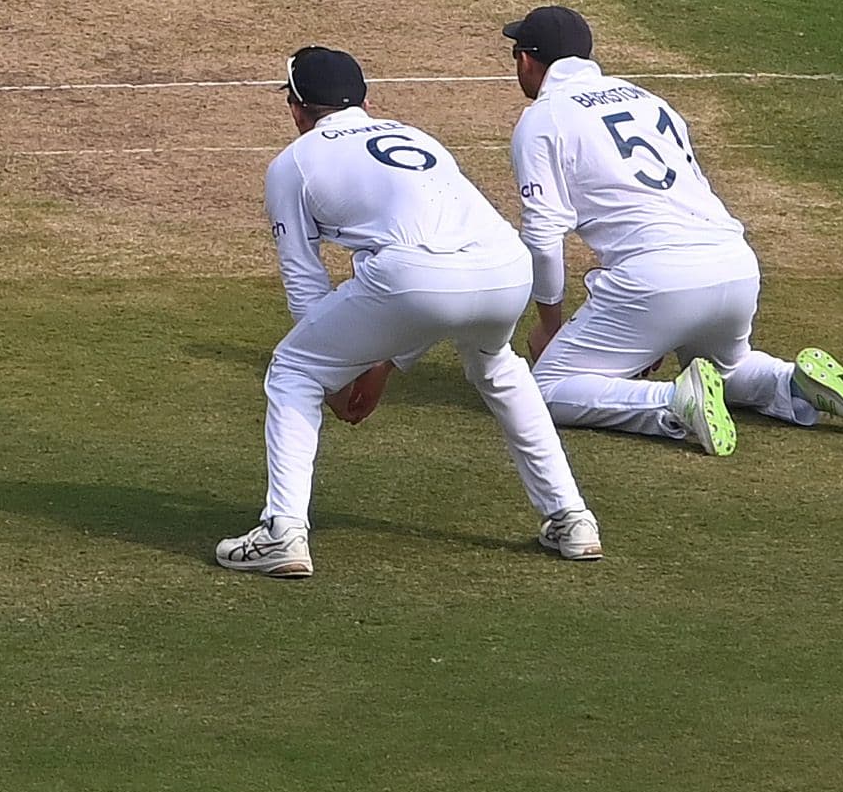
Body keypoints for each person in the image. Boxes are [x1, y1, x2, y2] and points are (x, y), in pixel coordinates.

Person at [215, 48, 597, 578]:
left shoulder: (292, 165)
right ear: (366, 102)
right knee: (498, 367)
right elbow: (441, 283)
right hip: (507, 269)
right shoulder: (416, 135)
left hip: (416, 278)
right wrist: (379, 361)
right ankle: (572, 518)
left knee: (294, 369)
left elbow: (307, 285)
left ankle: (283, 531)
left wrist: (342, 372)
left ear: (297, 109)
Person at [504, 3, 843, 450]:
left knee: (546, 388)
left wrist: (550, 326)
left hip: (657, 281)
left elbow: (543, 236)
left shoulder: (542, 120)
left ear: (529, 60)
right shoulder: (647, 99)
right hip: (734, 265)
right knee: (728, 369)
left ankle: (672, 402)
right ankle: (792, 384)